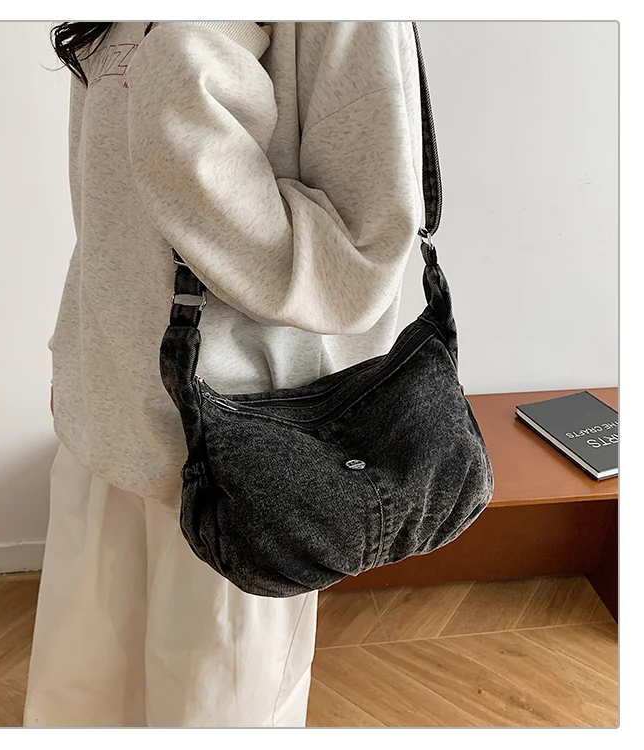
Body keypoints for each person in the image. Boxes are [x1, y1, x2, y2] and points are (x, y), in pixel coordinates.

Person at [24, 20, 424, 728]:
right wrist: (79, 349)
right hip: (102, 422)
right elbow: (111, 209)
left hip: (239, 455)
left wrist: (195, 54)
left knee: (213, 715)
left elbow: (357, 266)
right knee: (79, 706)